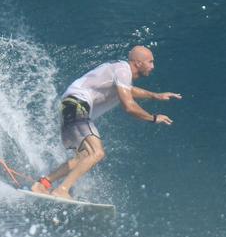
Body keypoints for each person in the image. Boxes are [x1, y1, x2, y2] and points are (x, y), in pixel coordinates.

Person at [32, 45, 180, 200]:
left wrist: (155, 96)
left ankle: (43, 183)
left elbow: (129, 90)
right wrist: (153, 118)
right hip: (76, 104)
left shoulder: (121, 75)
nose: (153, 66)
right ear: (138, 63)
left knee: (83, 156)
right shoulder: (123, 70)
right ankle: (62, 190)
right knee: (98, 153)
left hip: (70, 105)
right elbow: (129, 106)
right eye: (150, 62)